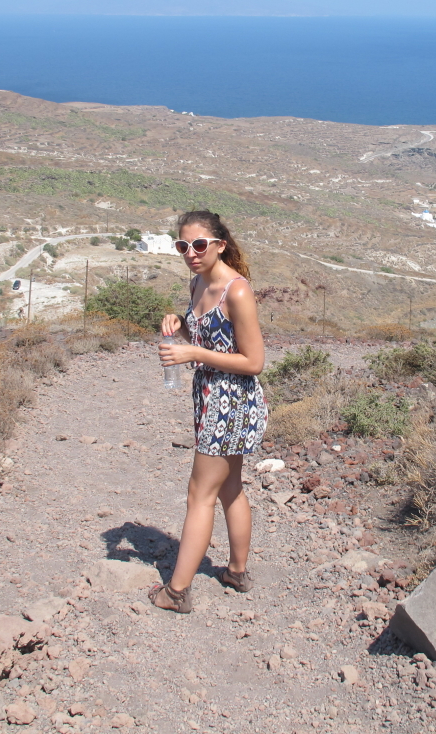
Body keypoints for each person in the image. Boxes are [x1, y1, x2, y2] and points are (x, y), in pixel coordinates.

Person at [149, 210, 268, 613]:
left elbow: (253, 362)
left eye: (199, 245)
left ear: (219, 244)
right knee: (230, 485)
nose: (191, 253)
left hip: (231, 402)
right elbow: (204, 333)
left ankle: (177, 592)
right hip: (209, 398)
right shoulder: (198, 281)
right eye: (183, 246)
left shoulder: (236, 291)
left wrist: (193, 353)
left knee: (200, 493)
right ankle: (237, 572)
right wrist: (179, 325)